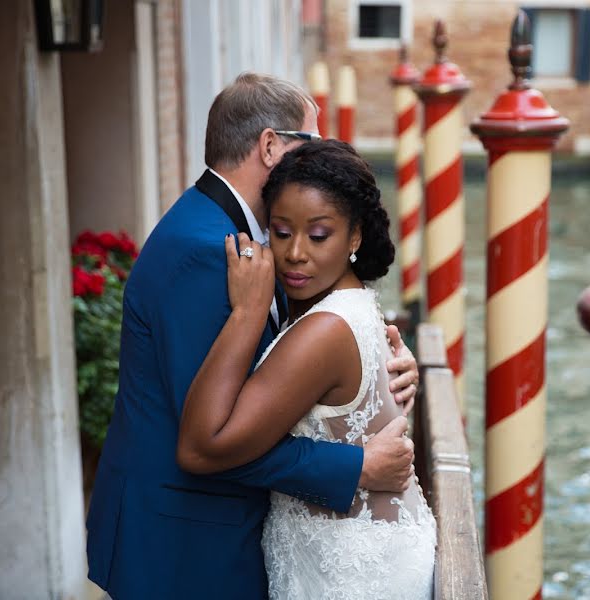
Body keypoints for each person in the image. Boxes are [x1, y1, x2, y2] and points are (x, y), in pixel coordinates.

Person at [85, 74, 421, 599]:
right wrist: (357, 466)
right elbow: (209, 437)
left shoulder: (237, 234)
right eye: (311, 141)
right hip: (184, 539)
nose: (320, 157)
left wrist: (385, 366)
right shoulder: (207, 251)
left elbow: (310, 346)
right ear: (271, 146)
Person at [178, 140, 437, 599]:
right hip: (349, 555)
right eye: (280, 232)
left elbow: (202, 448)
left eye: (318, 236)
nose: (295, 253)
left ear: (354, 236)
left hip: (352, 578)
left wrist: (246, 314)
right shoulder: (347, 305)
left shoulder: (325, 329)